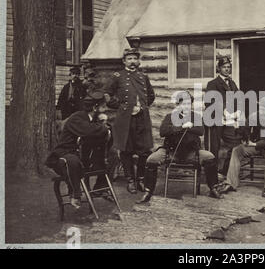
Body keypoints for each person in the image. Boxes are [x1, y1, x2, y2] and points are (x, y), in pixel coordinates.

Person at [136, 91, 223, 204]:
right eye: (183, 104)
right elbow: (163, 132)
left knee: (209, 157)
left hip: (192, 152)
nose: (186, 106)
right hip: (170, 152)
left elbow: (200, 131)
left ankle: (213, 188)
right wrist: (181, 126)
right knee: (151, 160)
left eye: (188, 104)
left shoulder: (195, 116)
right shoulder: (170, 116)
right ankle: (148, 192)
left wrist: (190, 126)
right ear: (178, 105)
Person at [46, 90, 110, 208]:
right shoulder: (78, 117)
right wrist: (104, 127)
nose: (105, 110)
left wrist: (103, 127)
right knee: (72, 161)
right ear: (95, 108)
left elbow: (102, 133)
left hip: (82, 155)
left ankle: (101, 187)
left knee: (110, 155)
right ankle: (75, 194)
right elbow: (89, 131)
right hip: (65, 152)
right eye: (103, 107)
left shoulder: (94, 120)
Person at [105, 48, 156, 194]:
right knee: (126, 151)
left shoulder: (143, 76)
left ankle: (140, 179)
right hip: (125, 119)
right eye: (129, 59)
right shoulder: (117, 76)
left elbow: (151, 96)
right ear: (124, 61)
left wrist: (143, 107)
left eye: (135, 58)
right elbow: (107, 95)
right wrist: (122, 106)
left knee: (144, 150)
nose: (133, 61)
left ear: (138, 61)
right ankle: (130, 180)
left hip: (142, 118)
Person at [220, 96, 265, 197]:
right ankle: (230, 183)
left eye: (263, 109)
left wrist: (255, 144)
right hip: (256, 145)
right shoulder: (254, 116)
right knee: (237, 150)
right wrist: (238, 127)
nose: (260, 111)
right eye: (259, 108)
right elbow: (244, 131)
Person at [204, 57, 240, 178]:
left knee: (235, 144)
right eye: (224, 67)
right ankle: (212, 175)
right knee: (213, 148)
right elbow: (209, 102)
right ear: (219, 68)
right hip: (215, 120)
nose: (227, 69)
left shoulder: (232, 83)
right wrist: (223, 110)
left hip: (229, 121)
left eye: (229, 67)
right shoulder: (213, 84)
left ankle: (225, 172)